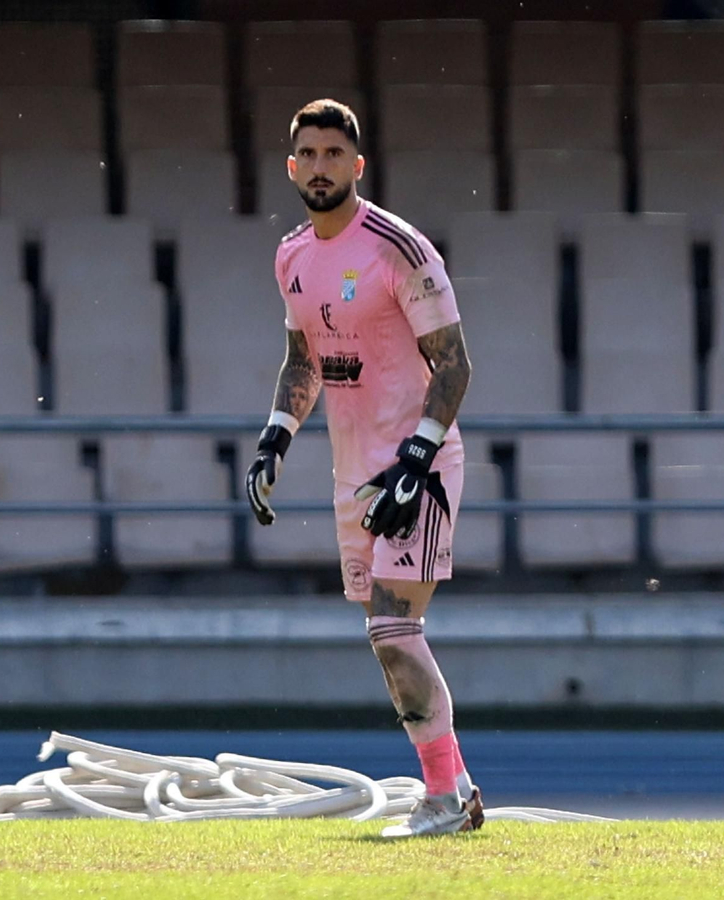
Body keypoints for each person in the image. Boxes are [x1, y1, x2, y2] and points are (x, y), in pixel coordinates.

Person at [244, 100, 480, 836]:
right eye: (307, 155)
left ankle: (441, 800)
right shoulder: (290, 257)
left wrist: (416, 459)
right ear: (292, 168)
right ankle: (458, 790)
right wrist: (276, 438)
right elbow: (303, 360)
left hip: (419, 469)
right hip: (352, 479)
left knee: (392, 631)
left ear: (357, 165)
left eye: (333, 154)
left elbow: (454, 365)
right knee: (385, 639)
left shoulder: (398, 247)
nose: (320, 167)